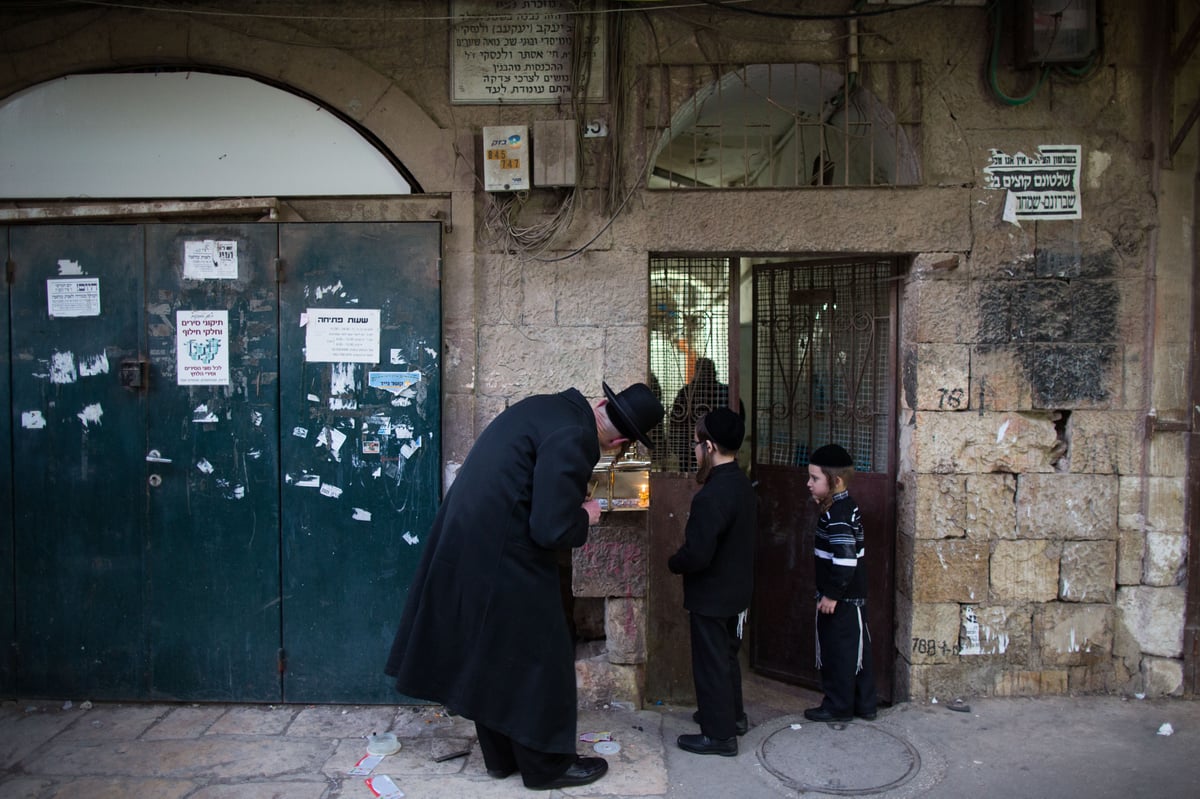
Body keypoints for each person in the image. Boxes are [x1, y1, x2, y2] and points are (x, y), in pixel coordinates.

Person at [384, 382, 664, 791]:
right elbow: (550, 528)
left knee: (495, 650)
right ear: (620, 441)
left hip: (472, 542)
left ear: (603, 402)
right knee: (544, 653)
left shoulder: (549, 407)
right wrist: (587, 514)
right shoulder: (577, 437)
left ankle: (502, 758)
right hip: (501, 549)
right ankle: (547, 767)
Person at [667, 407, 757, 757]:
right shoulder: (740, 484)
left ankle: (719, 736)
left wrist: (675, 563)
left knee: (711, 664)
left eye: (695, 444)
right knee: (727, 658)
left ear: (710, 445)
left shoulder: (713, 495)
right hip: (736, 592)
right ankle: (731, 717)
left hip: (712, 595)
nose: (694, 450)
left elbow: (698, 554)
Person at [803, 443, 878, 723]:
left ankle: (838, 706)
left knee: (839, 654)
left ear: (835, 481)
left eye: (815, 479)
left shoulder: (838, 516)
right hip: (851, 600)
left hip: (842, 600)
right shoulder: (842, 506)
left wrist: (831, 595)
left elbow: (846, 560)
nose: (808, 483)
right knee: (857, 651)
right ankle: (864, 704)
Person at [667, 357, 737, 471]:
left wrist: (676, 444)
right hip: (716, 448)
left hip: (690, 446)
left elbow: (676, 420)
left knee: (688, 475)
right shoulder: (724, 391)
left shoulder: (686, 392)